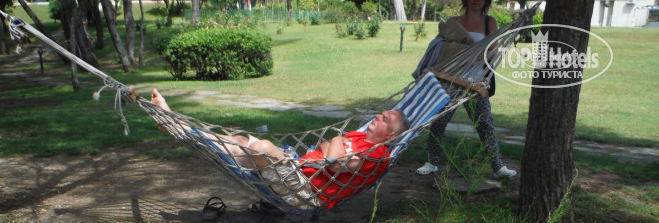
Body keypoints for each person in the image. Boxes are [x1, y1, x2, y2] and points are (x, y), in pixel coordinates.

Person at [150, 89, 410, 209]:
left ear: (391, 135)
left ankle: (178, 126)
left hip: (306, 192)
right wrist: (335, 145)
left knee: (260, 147)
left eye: (385, 119)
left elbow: (334, 162)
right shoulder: (359, 136)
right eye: (382, 114)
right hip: (297, 168)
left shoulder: (378, 156)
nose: (378, 116)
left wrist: (335, 142)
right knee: (240, 141)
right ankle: (178, 124)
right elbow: (327, 148)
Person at [416, 0, 517, 180]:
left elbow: (493, 51)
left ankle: (498, 167)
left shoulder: (489, 22)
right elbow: (437, 46)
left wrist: (476, 53)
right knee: (438, 122)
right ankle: (431, 163)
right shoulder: (453, 22)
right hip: (450, 81)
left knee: (485, 125)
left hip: (475, 83)